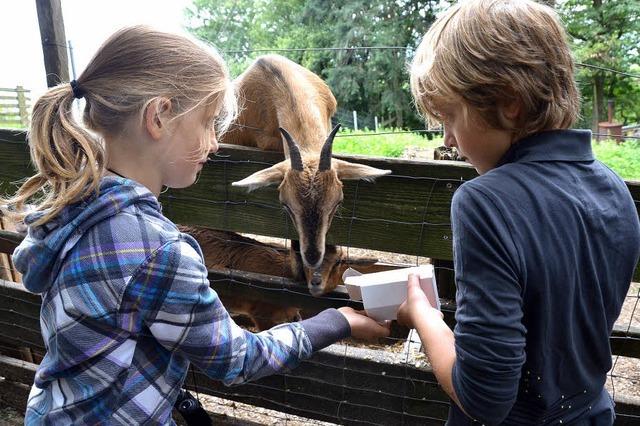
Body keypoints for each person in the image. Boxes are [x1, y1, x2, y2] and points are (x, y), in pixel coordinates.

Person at [2, 25, 389, 424]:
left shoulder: (71, 210)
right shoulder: (156, 249)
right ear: (159, 116)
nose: (216, 143)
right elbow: (238, 360)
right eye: (209, 122)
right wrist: (338, 320)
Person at [397, 0, 640, 424]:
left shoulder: (484, 203)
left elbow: (484, 398)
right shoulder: (612, 186)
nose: (448, 138)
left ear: (509, 103)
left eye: (450, 116)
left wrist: (423, 315)